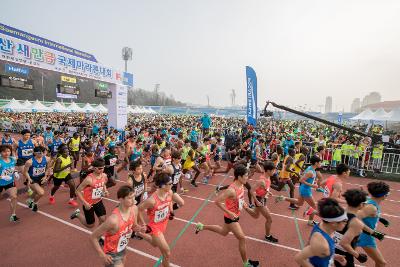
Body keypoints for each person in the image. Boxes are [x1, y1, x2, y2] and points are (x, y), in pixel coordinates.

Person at [195, 165, 260, 267]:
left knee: (223, 231)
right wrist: (229, 212)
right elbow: (217, 201)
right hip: (230, 218)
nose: (248, 177)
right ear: (239, 177)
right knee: (242, 238)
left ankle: (201, 226)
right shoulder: (231, 190)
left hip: (235, 215)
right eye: (246, 175)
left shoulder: (241, 185)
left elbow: (239, 198)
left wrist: (243, 204)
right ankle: (246, 263)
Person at [137, 173, 185, 267]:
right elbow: (139, 210)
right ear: (162, 186)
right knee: (167, 252)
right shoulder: (152, 201)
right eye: (170, 183)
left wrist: (171, 211)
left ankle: (139, 233)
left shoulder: (169, 192)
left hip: (164, 223)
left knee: (155, 244)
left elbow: (170, 200)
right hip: (154, 227)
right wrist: (144, 224)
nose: (172, 185)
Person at [90, 185, 141, 267]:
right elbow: (93, 237)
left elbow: (134, 226)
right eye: (129, 198)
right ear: (121, 199)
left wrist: (139, 229)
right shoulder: (113, 220)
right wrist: (102, 255)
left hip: (122, 249)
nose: (133, 200)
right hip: (112, 254)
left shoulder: (134, 209)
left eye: (134, 197)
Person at [294, 198, 347, 267]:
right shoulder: (321, 243)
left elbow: (313, 248)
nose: (346, 223)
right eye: (344, 221)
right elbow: (299, 258)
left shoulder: (323, 226)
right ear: (334, 223)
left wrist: (333, 256)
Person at [275, 155, 322, 225]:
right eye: (319, 162)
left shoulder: (310, 168)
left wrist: (312, 182)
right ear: (316, 163)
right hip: (306, 190)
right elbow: (301, 180)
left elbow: (305, 177)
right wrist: (312, 185)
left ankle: (283, 198)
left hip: (304, 188)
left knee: (299, 203)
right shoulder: (311, 172)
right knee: (314, 207)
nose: (320, 164)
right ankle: (310, 221)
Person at [333, 189, 372, 267]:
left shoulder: (338, 212)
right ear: (361, 204)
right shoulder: (356, 223)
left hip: (332, 248)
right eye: (365, 203)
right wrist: (358, 256)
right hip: (344, 254)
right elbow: (344, 243)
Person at [357, 181, 390, 267]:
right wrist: (373, 232)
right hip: (365, 236)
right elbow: (355, 219)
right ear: (384, 196)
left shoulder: (370, 200)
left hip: (365, 234)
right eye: (388, 194)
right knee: (382, 262)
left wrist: (381, 219)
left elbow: (370, 215)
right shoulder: (371, 207)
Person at [71, 158, 109, 228]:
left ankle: (97, 235)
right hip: (88, 203)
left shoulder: (104, 175)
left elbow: (103, 183)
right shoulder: (89, 179)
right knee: (90, 225)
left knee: (103, 219)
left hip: (98, 201)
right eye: (100, 168)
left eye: (103, 168)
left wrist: (105, 190)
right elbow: (77, 191)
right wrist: (85, 203)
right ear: (94, 168)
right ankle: (77, 214)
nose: (102, 170)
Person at [248, 160, 278, 243]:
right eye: (273, 170)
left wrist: (268, 192)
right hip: (260, 200)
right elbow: (251, 190)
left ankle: (245, 207)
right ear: (268, 171)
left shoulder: (268, 177)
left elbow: (265, 187)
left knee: (256, 215)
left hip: (263, 198)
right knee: (269, 219)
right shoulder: (262, 180)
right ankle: (267, 236)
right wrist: (256, 201)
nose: (274, 172)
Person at [24, 146, 50, 212]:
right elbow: (25, 172)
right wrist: (29, 179)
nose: (41, 154)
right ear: (35, 153)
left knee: (36, 192)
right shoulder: (29, 162)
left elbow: (47, 168)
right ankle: (35, 203)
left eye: (43, 153)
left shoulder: (47, 159)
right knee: (41, 193)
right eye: (39, 153)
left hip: (41, 178)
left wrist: (45, 176)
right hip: (32, 179)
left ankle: (30, 200)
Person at [0, 144, 19, 222]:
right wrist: (2, 177)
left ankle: (13, 215)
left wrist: (15, 172)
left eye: (8, 151)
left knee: (14, 196)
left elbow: (12, 168)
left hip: (10, 182)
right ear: (0, 152)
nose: (6, 153)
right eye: (4, 151)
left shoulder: (12, 159)